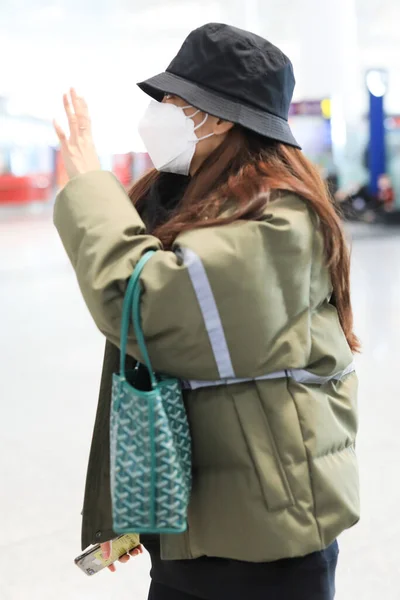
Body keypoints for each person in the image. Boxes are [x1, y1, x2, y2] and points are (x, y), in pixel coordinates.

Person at [53, 23, 359, 600]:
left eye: (174, 101)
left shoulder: (277, 222)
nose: (159, 113)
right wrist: (124, 522)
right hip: (193, 526)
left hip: (265, 547)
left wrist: (90, 185)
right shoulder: (186, 199)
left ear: (216, 118)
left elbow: (145, 308)